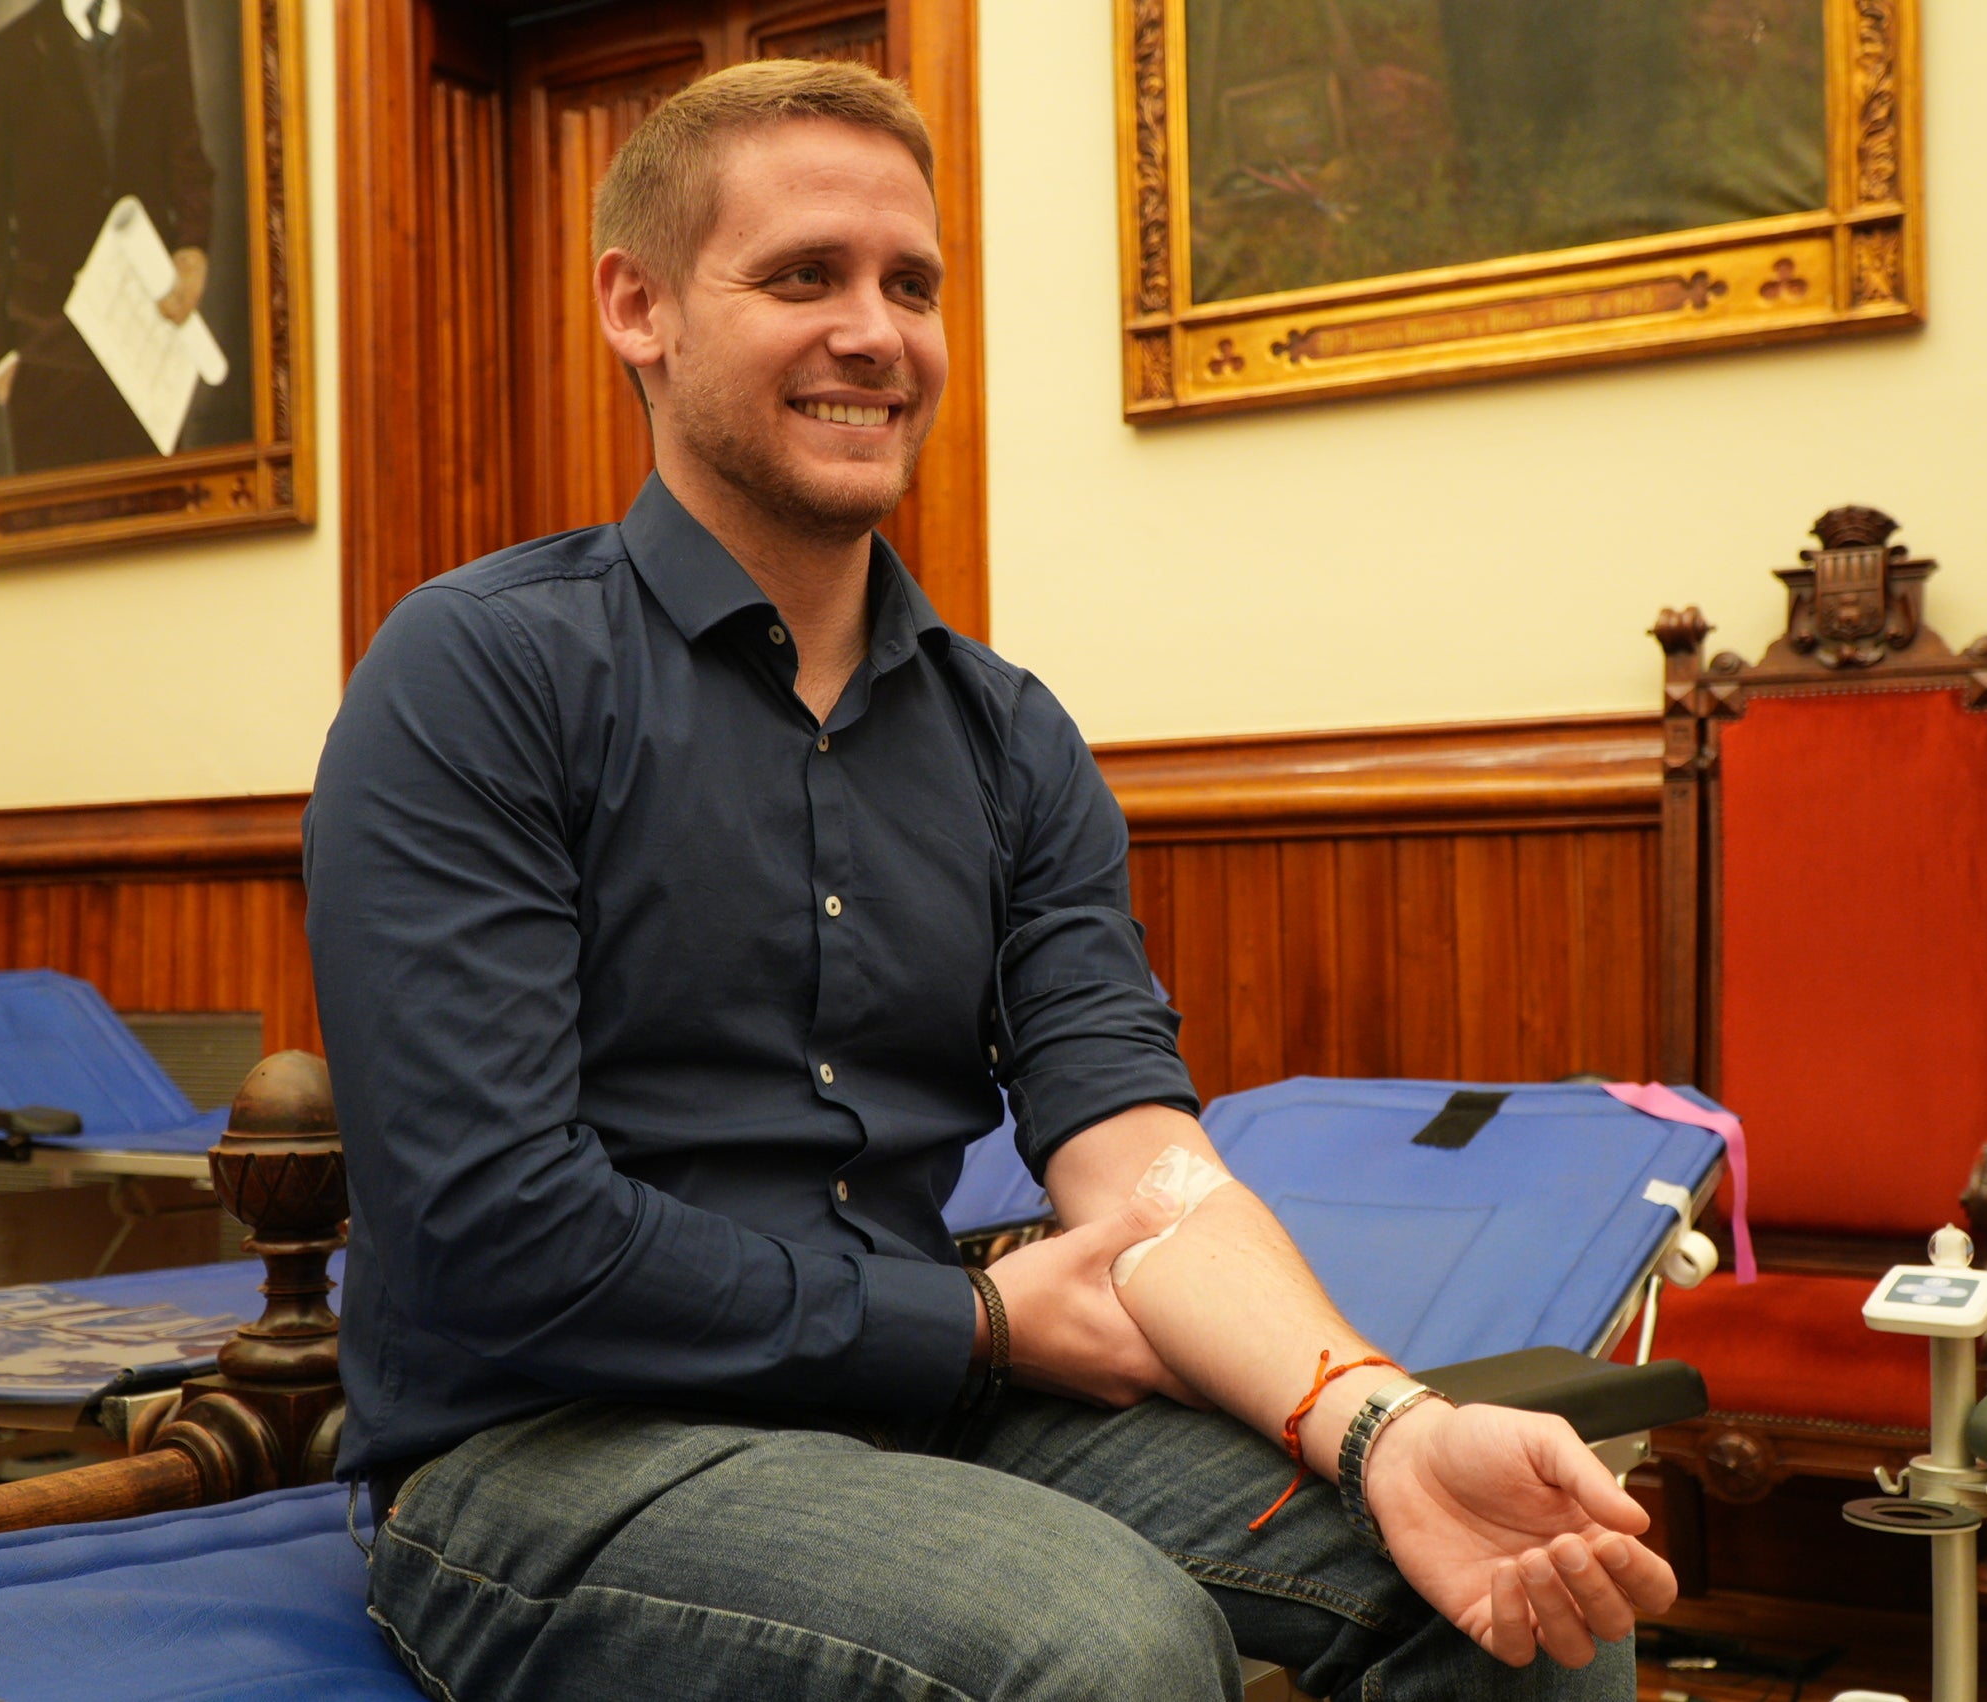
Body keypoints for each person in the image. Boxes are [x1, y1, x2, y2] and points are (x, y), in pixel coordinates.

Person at [304, 58, 1673, 1702]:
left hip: (907, 1408)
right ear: (638, 308)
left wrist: (1393, 1423)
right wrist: (978, 1325)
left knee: (1525, 1595)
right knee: (1102, 1642)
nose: (875, 331)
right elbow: (490, 1229)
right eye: (804, 274)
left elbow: (1143, 1167)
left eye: (912, 285)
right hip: (545, 1447)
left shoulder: (1007, 736)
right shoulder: (481, 672)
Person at [0, 0, 212, 473]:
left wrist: (193, 247)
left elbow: (188, 159)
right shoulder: (14, 50)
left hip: (147, 344)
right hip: (49, 356)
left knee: (159, 528)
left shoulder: (161, 24)